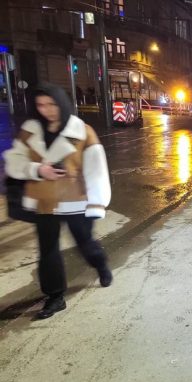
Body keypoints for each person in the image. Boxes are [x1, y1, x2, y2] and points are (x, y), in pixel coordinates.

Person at [2, 83, 112, 319]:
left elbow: (97, 171)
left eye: (51, 104)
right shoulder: (30, 130)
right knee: (48, 251)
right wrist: (39, 170)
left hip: (76, 201)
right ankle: (54, 297)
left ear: (62, 103)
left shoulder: (83, 131)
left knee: (86, 244)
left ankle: (101, 265)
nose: (46, 110)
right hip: (44, 201)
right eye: (40, 105)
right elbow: (13, 162)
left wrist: (97, 203)